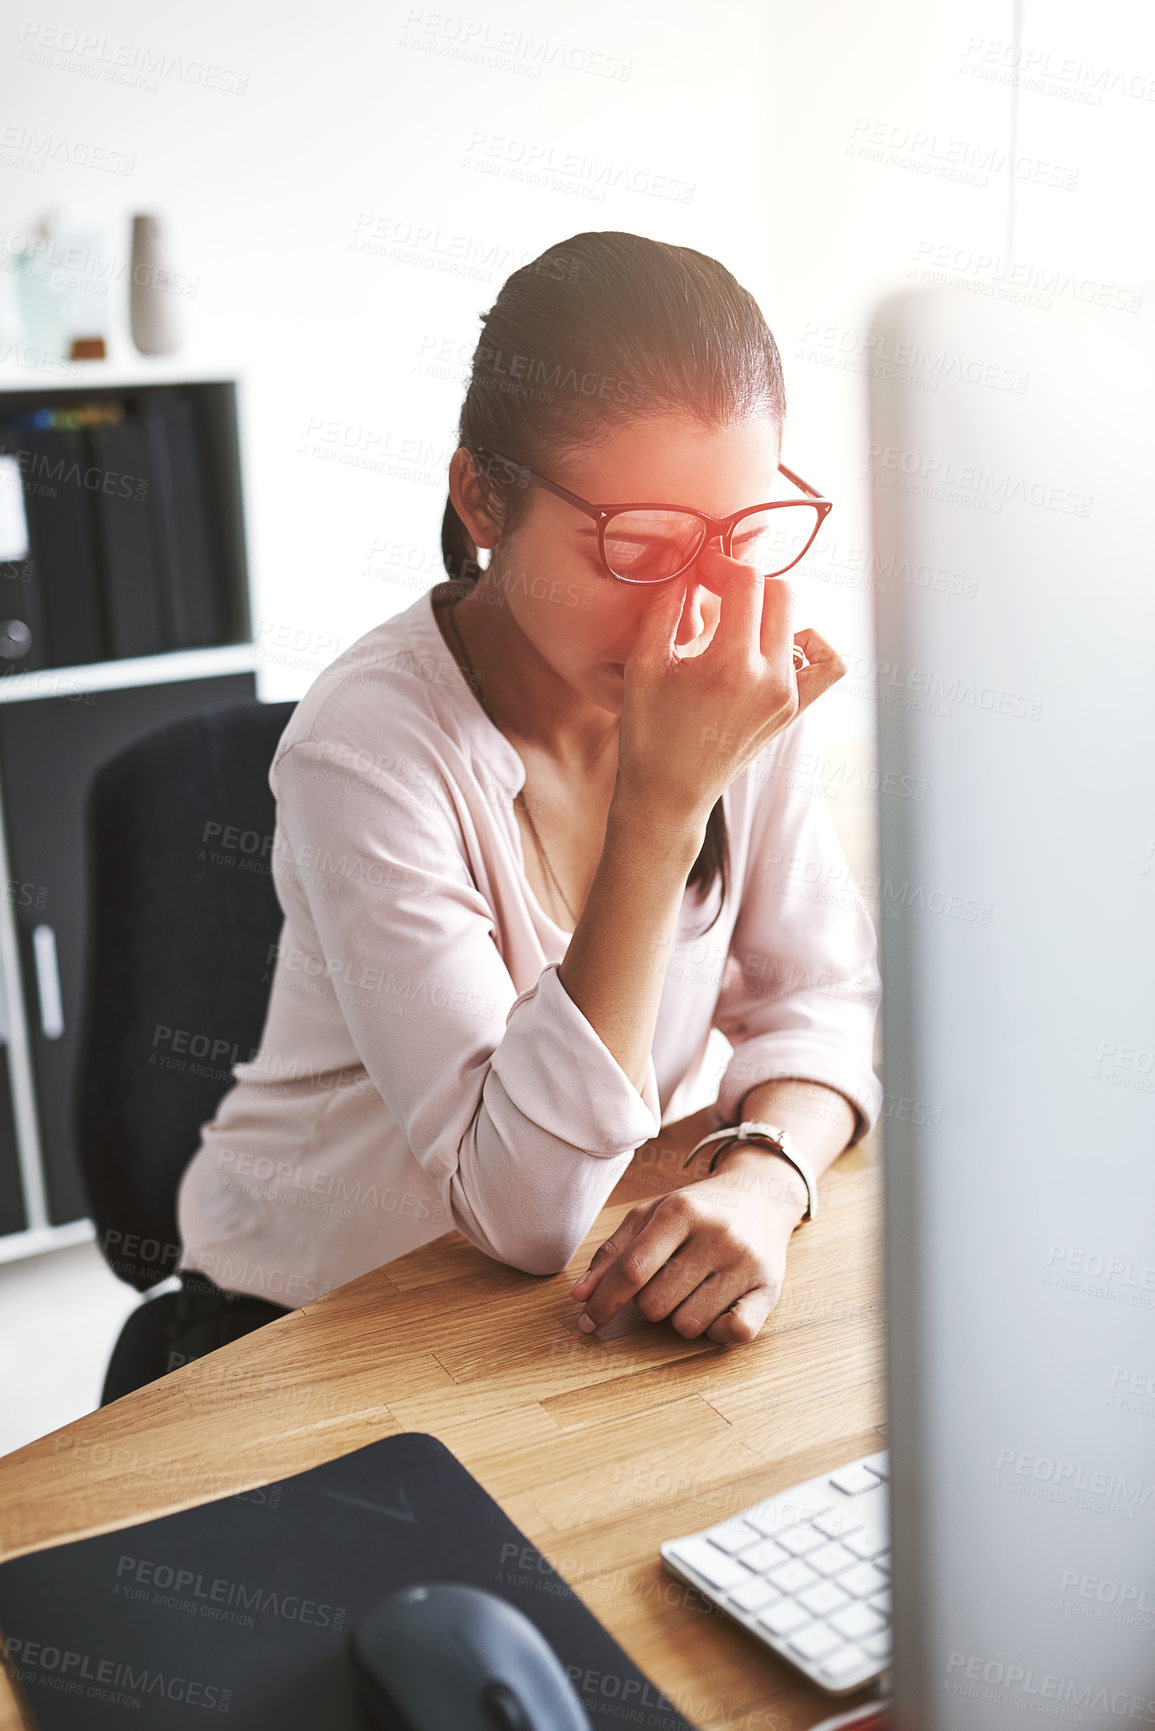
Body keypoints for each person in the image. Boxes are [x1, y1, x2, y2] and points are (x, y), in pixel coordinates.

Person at [172, 229, 882, 1370]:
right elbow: (521, 1210)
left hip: (542, 1322)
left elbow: (824, 1005)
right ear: (483, 498)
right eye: (641, 547)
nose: (692, 613)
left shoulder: (732, 677)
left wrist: (764, 1175)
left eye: (740, 538)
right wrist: (663, 803)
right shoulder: (365, 749)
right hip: (298, 1328)